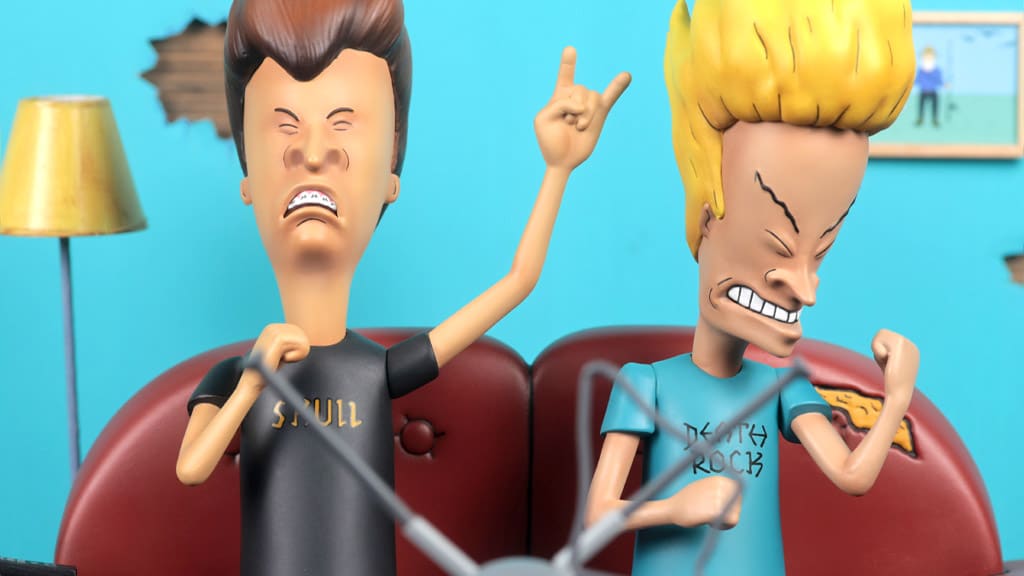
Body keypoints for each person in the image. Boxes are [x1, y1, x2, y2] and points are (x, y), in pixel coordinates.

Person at [174, 1, 631, 575]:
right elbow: (191, 467)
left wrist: (558, 171)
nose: (312, 153)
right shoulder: (233, 377)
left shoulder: (376, 370)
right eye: (285, 125)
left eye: (343, 123)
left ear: (391, 177)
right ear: (248, 177)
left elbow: (519, 281)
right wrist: (252, 383)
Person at [585, 2, 919, 575]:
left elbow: (852, 476)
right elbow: (598, 514)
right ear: (706, 217)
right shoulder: (647, 385)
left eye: (821, 253)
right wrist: (674, 507)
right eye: (776, 245)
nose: (805, 289)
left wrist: (897, 399)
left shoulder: (781, 388)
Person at [915, 46, 946, 127]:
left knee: (935, 106)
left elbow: (939, 80)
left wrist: (944, 84)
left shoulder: (936, 70)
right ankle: (920, 118)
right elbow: (917, 80)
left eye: (930, 56)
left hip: (933, 91)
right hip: (924, 91)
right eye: (926, 56)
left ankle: (935, 119)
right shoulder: (921, 70)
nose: (928, 58)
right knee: (921, 106)